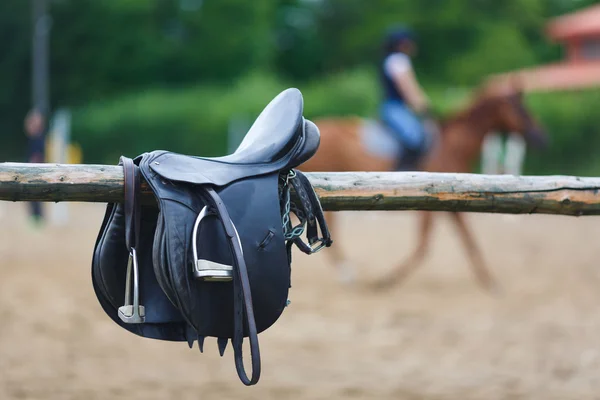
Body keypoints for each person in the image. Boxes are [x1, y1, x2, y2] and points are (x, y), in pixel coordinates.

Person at [379, 26, 438, 169]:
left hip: (396, 107)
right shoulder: (398, 60)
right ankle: (403, 172)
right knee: (415, 138)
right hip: (395, 107)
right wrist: (424, 106)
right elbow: (409, 89)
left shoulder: (393, 60)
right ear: (402, 44)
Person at [24, 108, 47, 226]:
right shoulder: (35, 138)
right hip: (34, 170)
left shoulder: (38, 139)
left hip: (35, 171)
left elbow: (38, 156)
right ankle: (36, 218)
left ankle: (37, 219)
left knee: (34, 196)